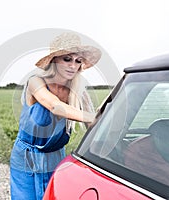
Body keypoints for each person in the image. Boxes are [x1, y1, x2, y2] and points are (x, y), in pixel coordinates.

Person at [10, 32, 102, 200]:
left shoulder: (78, 92)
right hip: (26, 158)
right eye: (67, 59)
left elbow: (94, 127)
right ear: (54, 61)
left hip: (55, 157)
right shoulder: (35, 82)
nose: (73, 65)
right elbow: (54, 106)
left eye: (78, 61)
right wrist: (93, 117)